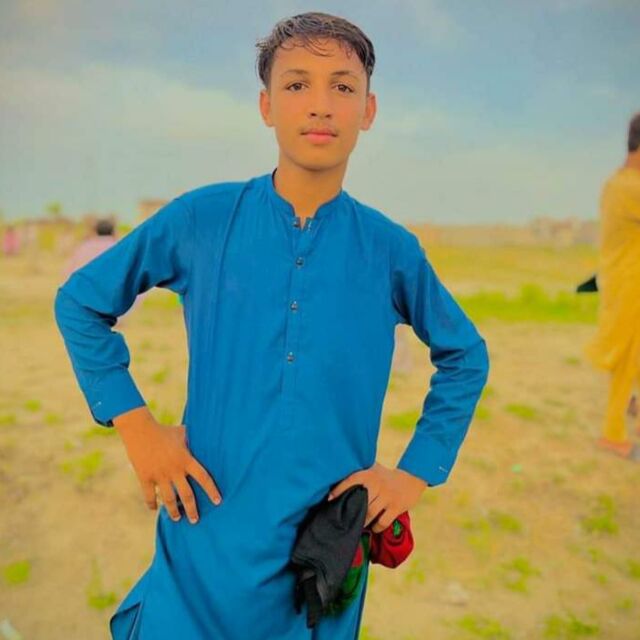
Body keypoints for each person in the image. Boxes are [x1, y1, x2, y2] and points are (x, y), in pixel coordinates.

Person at [54, 12, 489, 640]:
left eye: (343, 86)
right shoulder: (202, 220)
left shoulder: (390, 249)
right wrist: (137, 427)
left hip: (318, 558)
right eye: (297, 84)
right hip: (204, 538)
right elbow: (81, 303)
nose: (320, 104)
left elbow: (465, 356)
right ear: (266, 106)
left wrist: (414, 472)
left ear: (368, 110)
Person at [585, 112, 640, 460]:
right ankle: (613, 435)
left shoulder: (619, 182)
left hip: (626, 280)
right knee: (626, 358)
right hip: (630, 284)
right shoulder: (629, 187)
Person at [64, 218, 144, 325]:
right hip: (116, 304)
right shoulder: (122, 246)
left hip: (87, 303)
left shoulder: (83, 247)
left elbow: (69, 273)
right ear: (113, 231)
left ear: (95, 231)